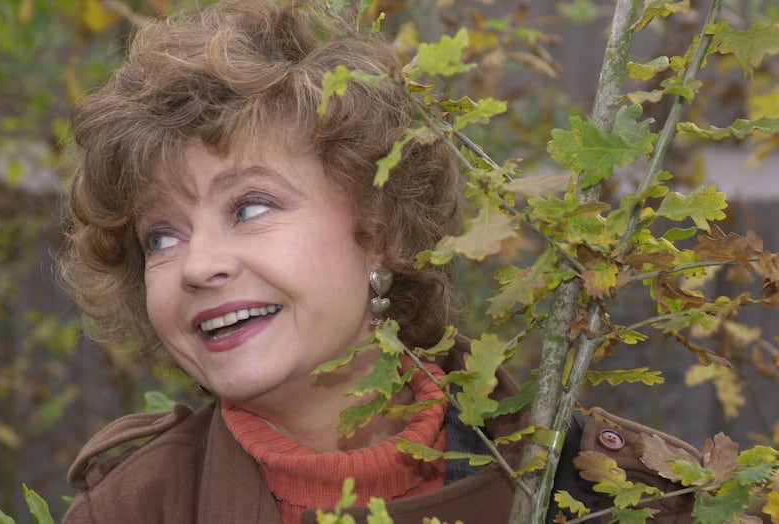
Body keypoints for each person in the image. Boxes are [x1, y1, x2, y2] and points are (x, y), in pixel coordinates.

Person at [60, 1, 701, 522]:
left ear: (381, 227)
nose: (198, 265)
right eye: (161, 239)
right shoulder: (134, 509)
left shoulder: (618, 492)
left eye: (250, 208)